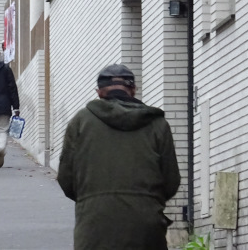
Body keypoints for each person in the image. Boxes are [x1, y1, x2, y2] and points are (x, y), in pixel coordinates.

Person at [57, 64, 180, 250]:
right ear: (133, 90)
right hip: (146, 226)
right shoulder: (157, 124)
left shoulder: (80, 122)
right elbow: (171, 181)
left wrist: (91, 199)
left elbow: (66, 179)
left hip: (94, 223)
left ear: (98, 92)